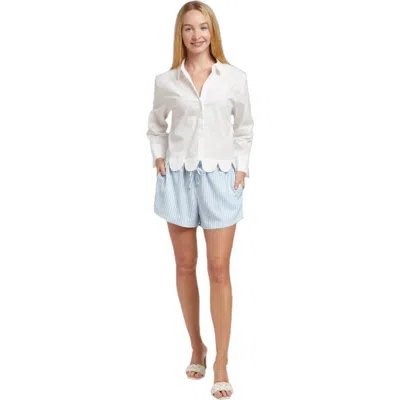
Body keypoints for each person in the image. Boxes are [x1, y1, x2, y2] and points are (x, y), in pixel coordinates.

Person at [146, 1, 254, 399]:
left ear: (213, 31)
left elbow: (244, 127)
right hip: (177, 177)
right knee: (184, 265)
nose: (197, 35)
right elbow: (156, 124)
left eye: (203, 27)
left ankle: (221, 361)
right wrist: (159, 157)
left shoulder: (234, 77)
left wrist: (241, 167)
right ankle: (197, 346)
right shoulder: (166, 80)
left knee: (219, 268)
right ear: (180, 33)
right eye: (189, 28)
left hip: (221, 177)